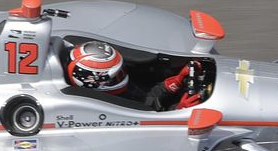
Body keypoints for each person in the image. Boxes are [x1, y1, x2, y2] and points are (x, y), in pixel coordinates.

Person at [66, 40, 203, 111]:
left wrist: (178, 80)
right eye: (116, 75)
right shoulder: (108, 106)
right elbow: (147, 112)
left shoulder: (120, 89)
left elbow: (147, 96)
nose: (122, 74)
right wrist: (179, 110)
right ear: (95, 82)